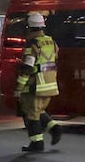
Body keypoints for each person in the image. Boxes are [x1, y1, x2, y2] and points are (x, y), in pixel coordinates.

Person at [14, 12, 63, 152]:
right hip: (50, 84)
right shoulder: (52, 42)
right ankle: (54, 128)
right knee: (38, 111)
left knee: (31, 115)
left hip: (35, 86)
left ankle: (37, 143)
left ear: (29, 28)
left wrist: (19, 87)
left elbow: (27, 68)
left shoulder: (32, 45)